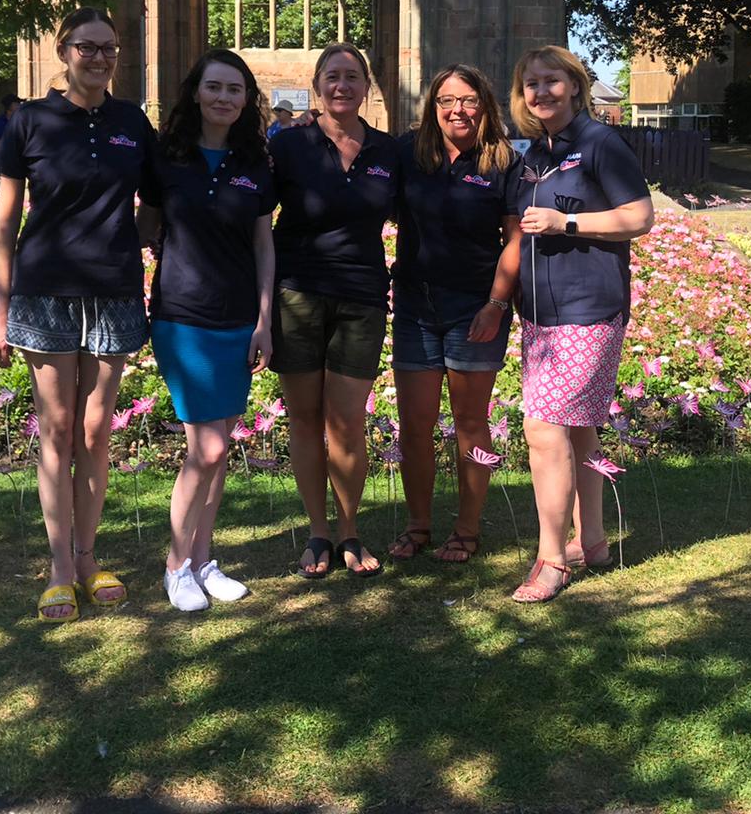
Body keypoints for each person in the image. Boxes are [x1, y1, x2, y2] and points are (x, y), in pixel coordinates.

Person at [0, 7, 156, 623]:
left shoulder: (131, 123)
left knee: (95, 432)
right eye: (87, 47)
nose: (99, 57)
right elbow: (6, 220)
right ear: (63, 52)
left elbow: (159, 200)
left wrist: (133, 237)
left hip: (113, 291)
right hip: (44, 291)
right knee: (57, 431)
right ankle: (60, 567)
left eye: (108, 48)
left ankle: (88, 558)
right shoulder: (30, 121)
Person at [509, 45, 654, 603]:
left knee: (543, 430)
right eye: (530, 83)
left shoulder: (600, 143)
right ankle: (591, 543)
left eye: (551, 81)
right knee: (576, 428)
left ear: (574, 85)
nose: (540, 92)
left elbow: (639, 216)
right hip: (542, 315)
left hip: (588, 308)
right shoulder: (536, 153)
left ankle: (551, 559)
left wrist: (565, 221)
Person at [139, 50, 276, 612]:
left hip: (238, 320)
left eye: (235, 90)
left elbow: (263, 244)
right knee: (209, 446)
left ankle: (203, 560)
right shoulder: (166, 159)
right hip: (183, 317)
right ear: (196, 92)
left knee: (220, 451)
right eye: (215, 87)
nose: (224, 98)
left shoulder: (254, 162)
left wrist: (265, 320)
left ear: (246, 100)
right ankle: (176, 565)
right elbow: (145, 227)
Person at [269, 43, 398, 581]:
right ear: (317, 85)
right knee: (305, 418)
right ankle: (317, 530)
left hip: (362, 297)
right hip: (297, 292)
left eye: (352, 77)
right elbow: (252, 216)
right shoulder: (289, 146)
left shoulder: (391, 152)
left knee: (347, 420)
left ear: (365, 88)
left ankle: (349, 529)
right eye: (332, 77)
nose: (342, 86)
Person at [388, 65, 522, 564]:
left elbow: (516, 241)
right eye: (446, 100)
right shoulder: (408, 153)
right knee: (415, 423)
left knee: (470, 421)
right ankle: (418, 525)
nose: (457, 110)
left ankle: (466, 529)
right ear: (433, 107)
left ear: (484, 105)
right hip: (415, 307)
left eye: (467, 100)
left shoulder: (503, 161)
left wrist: (495, 303)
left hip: (476, 310)